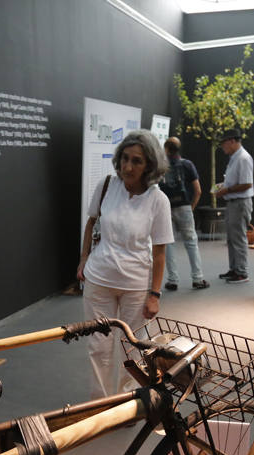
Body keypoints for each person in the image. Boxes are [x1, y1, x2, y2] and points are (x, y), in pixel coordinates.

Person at [77, 129, 173, 399]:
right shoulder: (107, 185)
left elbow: (160, 253)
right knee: (98, 346)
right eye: (125, 159)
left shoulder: (158, 200)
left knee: (133, 348)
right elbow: (91, 222)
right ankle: (100, 402)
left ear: (150, 165)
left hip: (135, 286)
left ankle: (128, 402)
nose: (128, 166)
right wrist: (83, 260)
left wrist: (154, 295)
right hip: (98, 281)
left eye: (137, 161)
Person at [159, 137, 208, 291]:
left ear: (166, 148)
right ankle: (198, 278)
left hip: (166, 208)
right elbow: (198, 190)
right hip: (184, 206)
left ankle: (173, 280)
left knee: (168, 244)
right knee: (191, 243)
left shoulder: (160, 167)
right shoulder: (187, 164)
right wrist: (191, 207)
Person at [213, 128, 254, 284]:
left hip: (239, 202)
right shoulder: (235, 157)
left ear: (232, 141)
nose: (223, 147)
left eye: (224, 143)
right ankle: (235, 269)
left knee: (238, 237)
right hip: (233, 202)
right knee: (232, 237)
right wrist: (224, 186)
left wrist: (226, 190)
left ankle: (242, 272)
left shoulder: (243, 158)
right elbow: (238, 181)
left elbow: (247, 183)